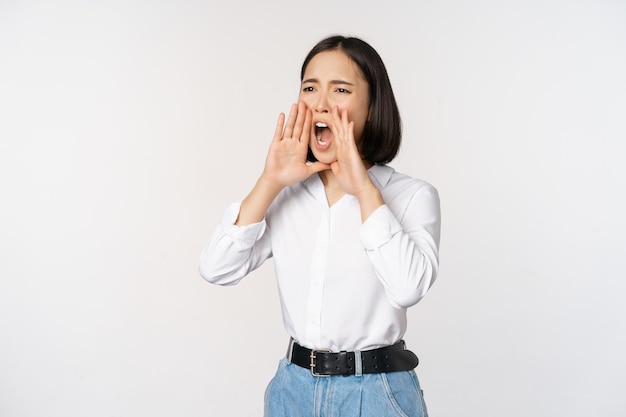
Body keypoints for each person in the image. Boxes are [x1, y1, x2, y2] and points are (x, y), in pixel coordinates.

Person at [199, 35, 440, 417]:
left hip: (377, 393)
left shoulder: (411, 195)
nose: (321, 103)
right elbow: (216, 268)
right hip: (292, 389)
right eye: (310, 87)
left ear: (372, 104)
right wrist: (269, 182)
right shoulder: (287, 194)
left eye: (341, 89)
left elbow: (408, 287)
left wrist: (363, 188)